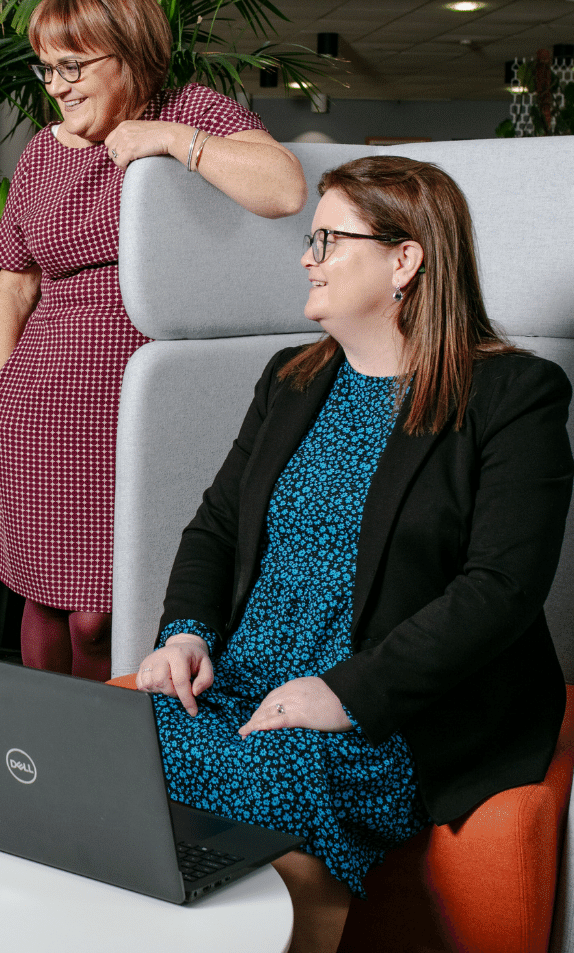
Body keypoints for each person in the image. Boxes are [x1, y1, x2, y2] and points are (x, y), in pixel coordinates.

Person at [136, 155, 573, 952]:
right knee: (120, 744)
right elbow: (217, 527)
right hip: (247, 677)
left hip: (392, 705)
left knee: (275, 774)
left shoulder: (513, 396)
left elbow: (501, 588)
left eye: (328, 240)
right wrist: (186, 631)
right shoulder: (290, 380)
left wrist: (345, 694)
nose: (307, 259)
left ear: (405, 261)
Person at [0, 0, 307, 681]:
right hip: (37, 402)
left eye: (73, 66)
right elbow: (15, 278)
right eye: (47, 68)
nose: (57, 86)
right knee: (41, 595)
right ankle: (41, 738)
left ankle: (111, 741)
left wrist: (170, 139)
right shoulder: (41, 152)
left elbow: (285, 188)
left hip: (134, 404)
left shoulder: (188, 109)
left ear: (129, 53)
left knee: (101, 611)